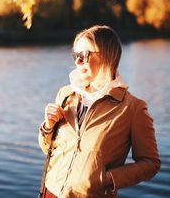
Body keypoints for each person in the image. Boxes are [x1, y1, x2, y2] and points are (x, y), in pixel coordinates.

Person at [38, 25, 160, 198]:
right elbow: (48, 149)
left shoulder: (133, 109)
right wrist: (48, 127)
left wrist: (107, 179)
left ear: (106, 55)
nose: (77, 62)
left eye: (84, 56)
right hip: (50, 193)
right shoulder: (66, 95)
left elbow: (150, 163)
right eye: (75, 55)